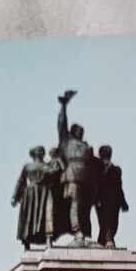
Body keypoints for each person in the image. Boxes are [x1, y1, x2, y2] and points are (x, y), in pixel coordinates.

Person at [57, 90, 96, 242]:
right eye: (78, 130)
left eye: (82, 131)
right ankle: (77, 230)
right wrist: (64, 106)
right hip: (73, 176)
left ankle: (85, 232)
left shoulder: (85, 146)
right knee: (75, 204)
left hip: (87, 179)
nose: (80, 132)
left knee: (85, 208)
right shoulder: (66, 141)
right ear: (73, 132)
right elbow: (61, 124)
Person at [11, 145, 51, 249]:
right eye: (39, 151)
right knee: (29, 217)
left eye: (42, 151)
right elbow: (20, 181)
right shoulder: (28, 166)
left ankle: (48, 240)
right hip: (31, 194)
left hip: (43, 193)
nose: (41, 152)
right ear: (34, 154)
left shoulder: (48, 165)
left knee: (46, 216)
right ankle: (26, 243)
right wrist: (15, 197)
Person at [95, 144, 129, 248]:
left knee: (113, 221)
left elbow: (119, 187)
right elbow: (95, 185)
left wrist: (123, 203)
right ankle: (107, 239)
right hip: (101, 199)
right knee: (104, 221)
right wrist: (96, 199)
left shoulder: (116, 170)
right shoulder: (96, 169)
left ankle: (105, 240)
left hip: (114, 200)